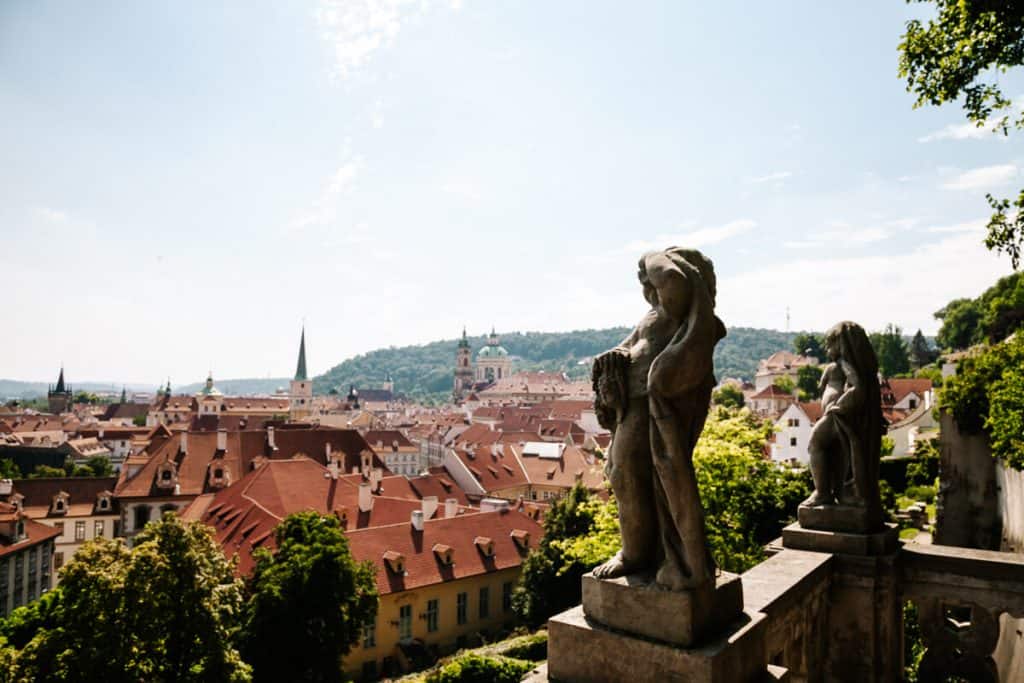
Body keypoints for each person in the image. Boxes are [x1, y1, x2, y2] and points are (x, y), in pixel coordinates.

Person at [592, 247, 725, 591]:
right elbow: (631, 345)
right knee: (623, 475)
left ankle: (638, 555)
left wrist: (652, 256)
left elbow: (673, 279)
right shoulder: (653, 317)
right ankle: (638, 551)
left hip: (653, 405)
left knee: (638, 475)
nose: (649, 290)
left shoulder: (686, 315)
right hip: (633, 405)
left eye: (649, 281)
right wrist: (615, 357)